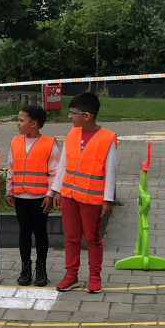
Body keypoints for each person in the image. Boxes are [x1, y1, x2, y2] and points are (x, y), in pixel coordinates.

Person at [52, 92, 117, 294]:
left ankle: (94, 277)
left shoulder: (107, 138)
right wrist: (56, 190)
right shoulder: (72, 133)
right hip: (69, 196)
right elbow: (63, 164)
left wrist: (108, 199)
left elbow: (111, 170)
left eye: (73, 113)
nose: (70, 117)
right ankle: (71, 275)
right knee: (71, 238)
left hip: (91, 199)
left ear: (87, 116)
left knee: (92, 239)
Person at [6, 105, 59, 287]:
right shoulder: (15, 141)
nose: (17, 123)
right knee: (24, 233)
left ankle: (41, 269)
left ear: (34, 124)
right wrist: (9, 190)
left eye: (21, 120)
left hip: (40, 198)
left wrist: (50, 194)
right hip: (21, 196)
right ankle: (26, 269)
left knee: (40, 233)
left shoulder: (49, 143)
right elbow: (11, 168)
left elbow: (55, 172)